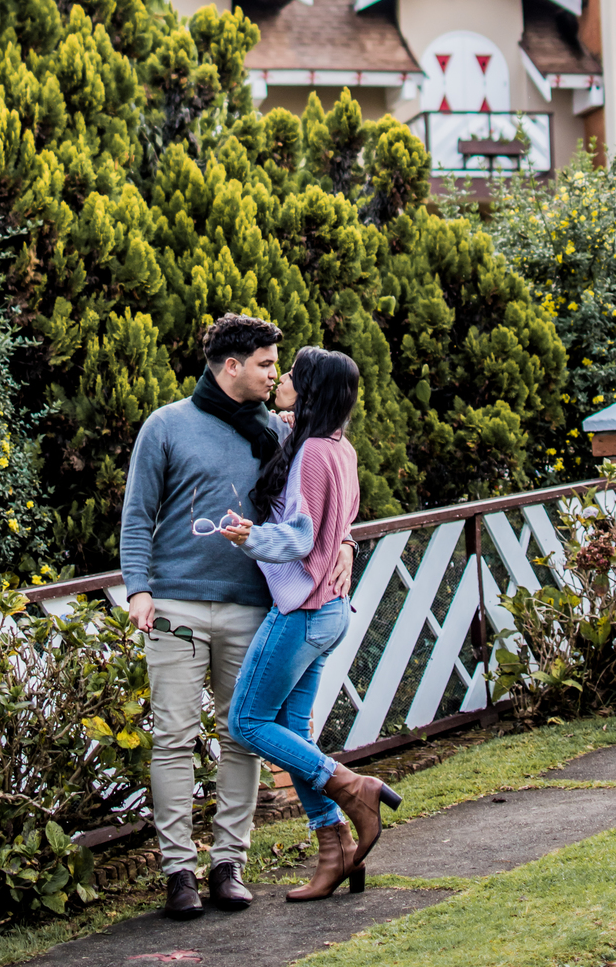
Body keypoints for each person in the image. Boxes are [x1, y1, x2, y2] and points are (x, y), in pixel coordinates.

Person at [119, 313, 354, 921]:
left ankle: (229, 864)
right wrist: (138, 590)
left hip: (256, 607)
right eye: (267, 364)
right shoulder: (166, 425)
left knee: (240, 735)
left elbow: (328, 501)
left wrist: (348, 546)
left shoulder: (282, 435)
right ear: (232, 366)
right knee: (171, 739)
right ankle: (178, 872)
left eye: (278, 366)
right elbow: (137, 514)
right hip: (174, 605)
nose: (276, 373)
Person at [221, 347, 402, 902]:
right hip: (328, 611)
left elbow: (300, 536)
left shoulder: (314, 455)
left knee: (247, 722)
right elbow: (335, 526)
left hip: (303, 610)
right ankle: (337, 847)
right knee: (293, 735)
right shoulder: (333, 445)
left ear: (313, 391)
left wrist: (250, 537)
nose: (282, 379)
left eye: (293, 375)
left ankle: (353, 786)